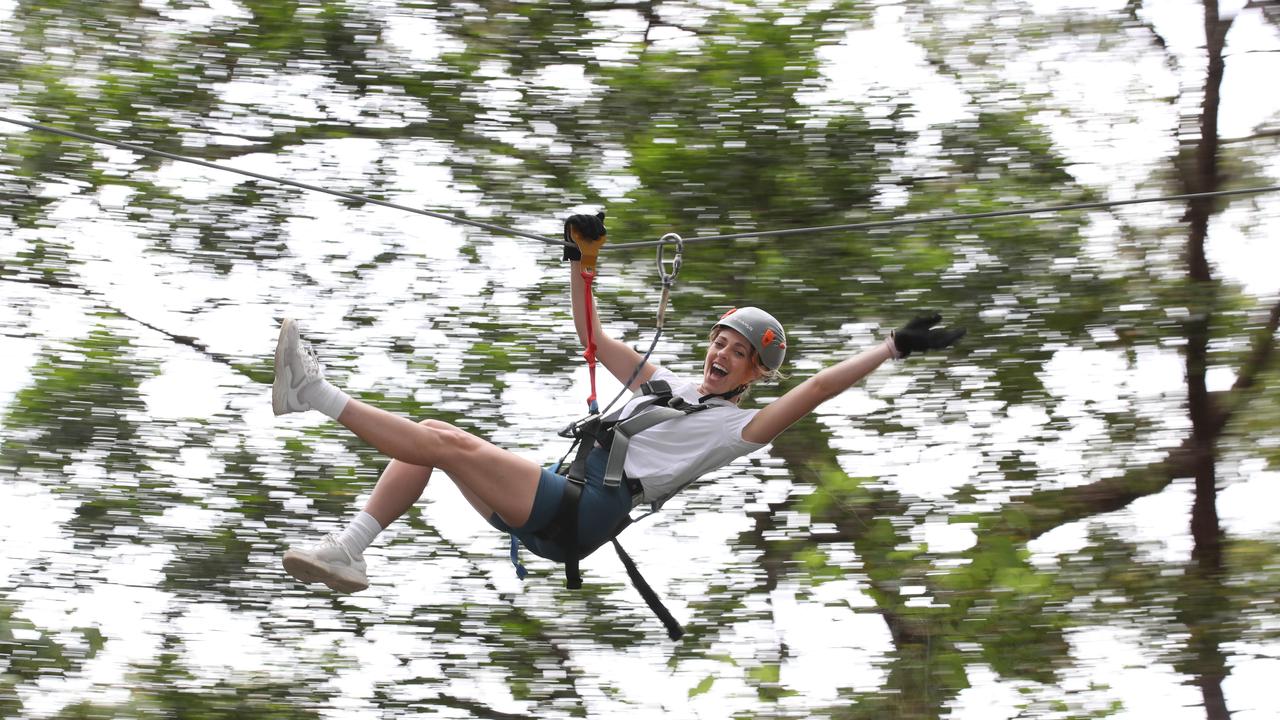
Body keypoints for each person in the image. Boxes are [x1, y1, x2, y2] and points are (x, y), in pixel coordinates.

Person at [275, 213, 965, 593]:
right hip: (557, 506)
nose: (722, 355)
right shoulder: (667, 386)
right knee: (430, 439)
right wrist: (583, 264)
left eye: (740, 354)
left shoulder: (735, 427)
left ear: (754, 374)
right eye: (721, 342)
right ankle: (348, 551)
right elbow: (590, 336)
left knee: (446, 445)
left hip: (582, 513)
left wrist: (890, 350)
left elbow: (813, 390)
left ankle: (312, 392)